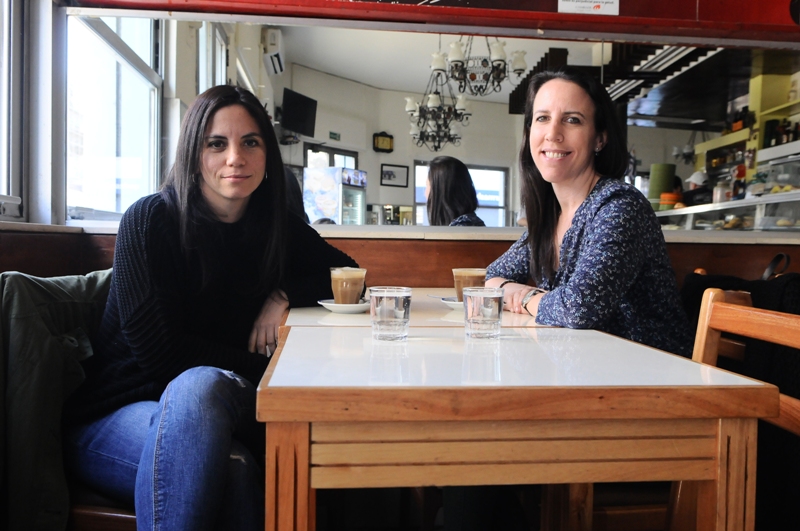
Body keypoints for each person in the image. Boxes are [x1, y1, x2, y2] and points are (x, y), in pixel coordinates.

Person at [63, 85, 359, 530]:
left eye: (250, 142)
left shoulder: (277, 228)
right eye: (216, 143)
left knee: (240, 419)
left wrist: (281, 296)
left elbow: (350, 275)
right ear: (193, 152)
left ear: (267, 155)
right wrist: (278, 375)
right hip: (117, 416)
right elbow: (164, 358)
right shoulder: (150, 221)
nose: (234, 157)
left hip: (226, 402)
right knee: (226, 450)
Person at [485, 66, 692, 358]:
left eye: (572, 120)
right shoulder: (551, 215)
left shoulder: (619, 207)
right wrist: (533, 298)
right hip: (586, 366)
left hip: (651, 375)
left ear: (600, 139)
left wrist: (528, 296)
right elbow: (493, 277)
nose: (553, 134)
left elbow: (579, 308)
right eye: (542, 118)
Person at [425, 155, 485, 227]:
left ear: (441, 192)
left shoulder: (462, 228)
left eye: (427, 186)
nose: (425, 194)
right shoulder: (466, 224)